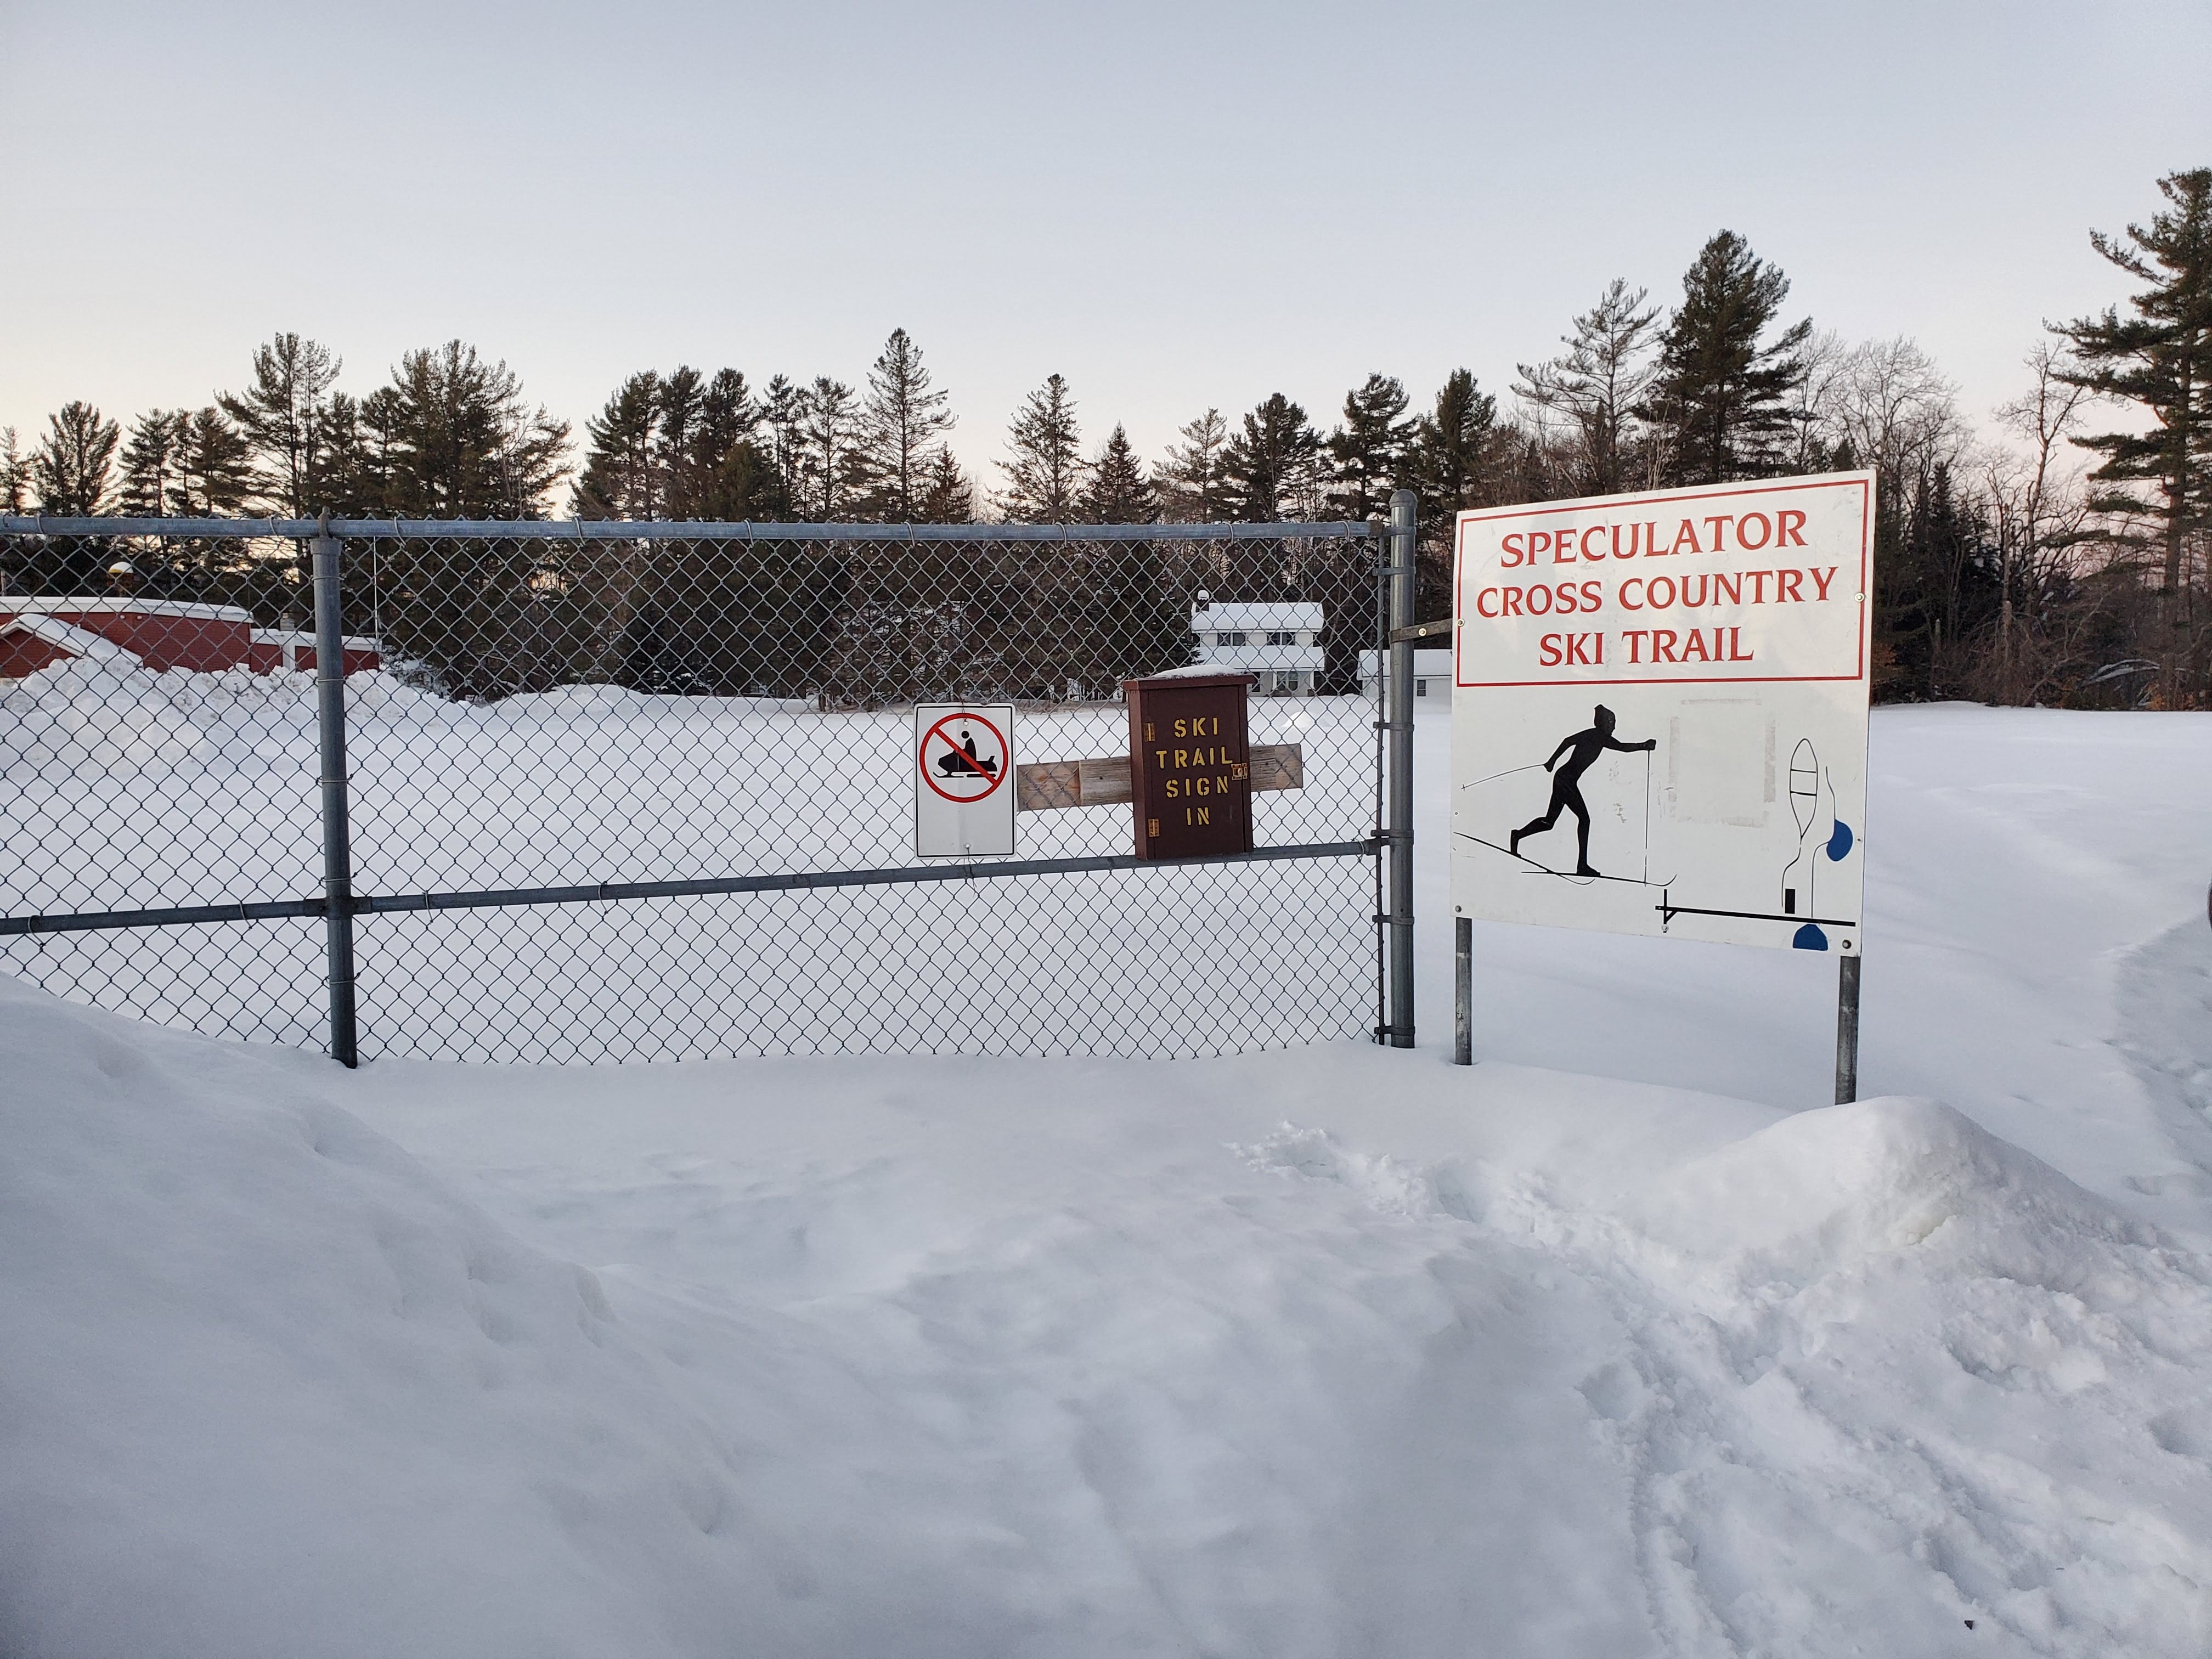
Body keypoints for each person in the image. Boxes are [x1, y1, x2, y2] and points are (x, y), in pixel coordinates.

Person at [1510, 705, 1654, 876]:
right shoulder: (1598, 736)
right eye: (1613, 724)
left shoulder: (1593, 735)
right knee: (1584, 820)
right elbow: (1621, 747)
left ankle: (1517, 835)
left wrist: (1552, 762)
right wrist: (1643, 745)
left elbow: (1568, 741)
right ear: (1606, 724)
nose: (1614, 728)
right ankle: (1582, 866)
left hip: (1563, 779)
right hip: (1566, 781)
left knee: (1549, 822)